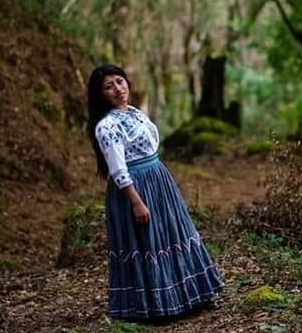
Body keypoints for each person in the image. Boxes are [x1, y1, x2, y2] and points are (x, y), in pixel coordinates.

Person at [87, 63, 223, 320]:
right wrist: (136, 202)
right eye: (108, 87)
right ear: (100, 95)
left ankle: (190, 296)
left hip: (158, 180)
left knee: (173, 233)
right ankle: (155, 305)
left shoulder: (135, 113)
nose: (117, 89)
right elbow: (117, 169)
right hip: (135, 187)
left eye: (119, 81)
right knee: (149, 242)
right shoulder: (106, 126)